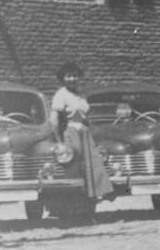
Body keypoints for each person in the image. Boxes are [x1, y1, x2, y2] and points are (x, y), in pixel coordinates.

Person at [48, 61, 112, 202]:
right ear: (63, 78)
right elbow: (54, 119)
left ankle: (95, 198)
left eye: (75, 76)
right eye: (69, 76)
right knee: (77, 169)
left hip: (84, 133)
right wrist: (59, 141)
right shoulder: (61, 94)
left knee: (93, 166)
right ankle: (77, 204)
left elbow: (84, 115)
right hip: (71, 133)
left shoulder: (80, 94)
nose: (72, 79)